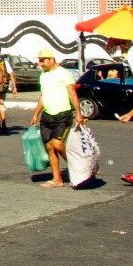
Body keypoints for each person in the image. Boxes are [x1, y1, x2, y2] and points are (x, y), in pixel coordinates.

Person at [29, 50, 82, 188]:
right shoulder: (43, 76)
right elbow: (43, 96)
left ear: (52, 59)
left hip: (62, 114)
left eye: (43, 60)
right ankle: (57, 179)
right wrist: (36, 114)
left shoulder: (64, 73)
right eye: (40, 61)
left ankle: (78, 167)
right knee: (50, 147)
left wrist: (79, 113)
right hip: (47, 115)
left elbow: (73, 94)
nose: (41, 64)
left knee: (58, 145)